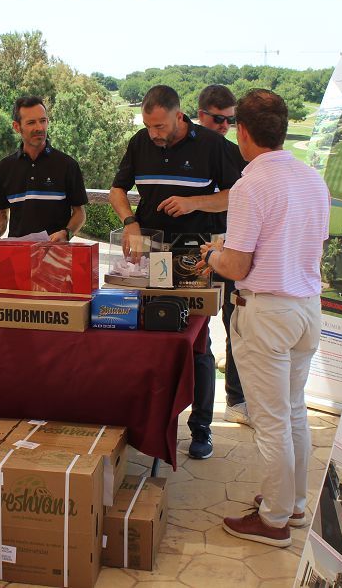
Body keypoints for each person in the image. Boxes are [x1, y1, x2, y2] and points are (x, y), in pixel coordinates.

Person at [198, 89, 330, 547]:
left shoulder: (251, 184)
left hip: (267, 312)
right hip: (307, 308)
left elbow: (237, 267)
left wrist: (213, 253)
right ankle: (291, 505)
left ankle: (273, 520)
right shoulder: (312, 179)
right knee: (293, 412)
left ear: (242, 131)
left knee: (271, 419)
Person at [109, 84, 245, 460]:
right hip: (150, 252)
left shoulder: (213, 146)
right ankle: (145, 422)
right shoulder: (140, 143)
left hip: (196, 255)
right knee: (146, 335)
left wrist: (193, 203)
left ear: (179, 116)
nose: (155, 135)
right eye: (149, 127)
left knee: (198, 342)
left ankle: (201, 428)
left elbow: (238, 194)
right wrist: (130, 224)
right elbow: (117, 190)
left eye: (161, 127)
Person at [196, 85, 249, 426]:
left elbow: (236, 199)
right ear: (200, 113)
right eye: (218, 119)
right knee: (199, 328)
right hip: (192, 247)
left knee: (235, 323)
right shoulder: (180, 149)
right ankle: (198, 414)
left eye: (231, 120)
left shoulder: (234, 154)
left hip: (228, 248)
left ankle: (236, 399)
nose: (225, 126)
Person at [0, 96, 88, 241]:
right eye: (31, 123)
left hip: (56, 257)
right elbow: (1, 214)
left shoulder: (67, 165)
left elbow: (80, 214)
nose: (39, 128)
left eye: (43, 121)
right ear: (17, 127)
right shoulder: (5, 168)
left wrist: (66, 234)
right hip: (17, 257)